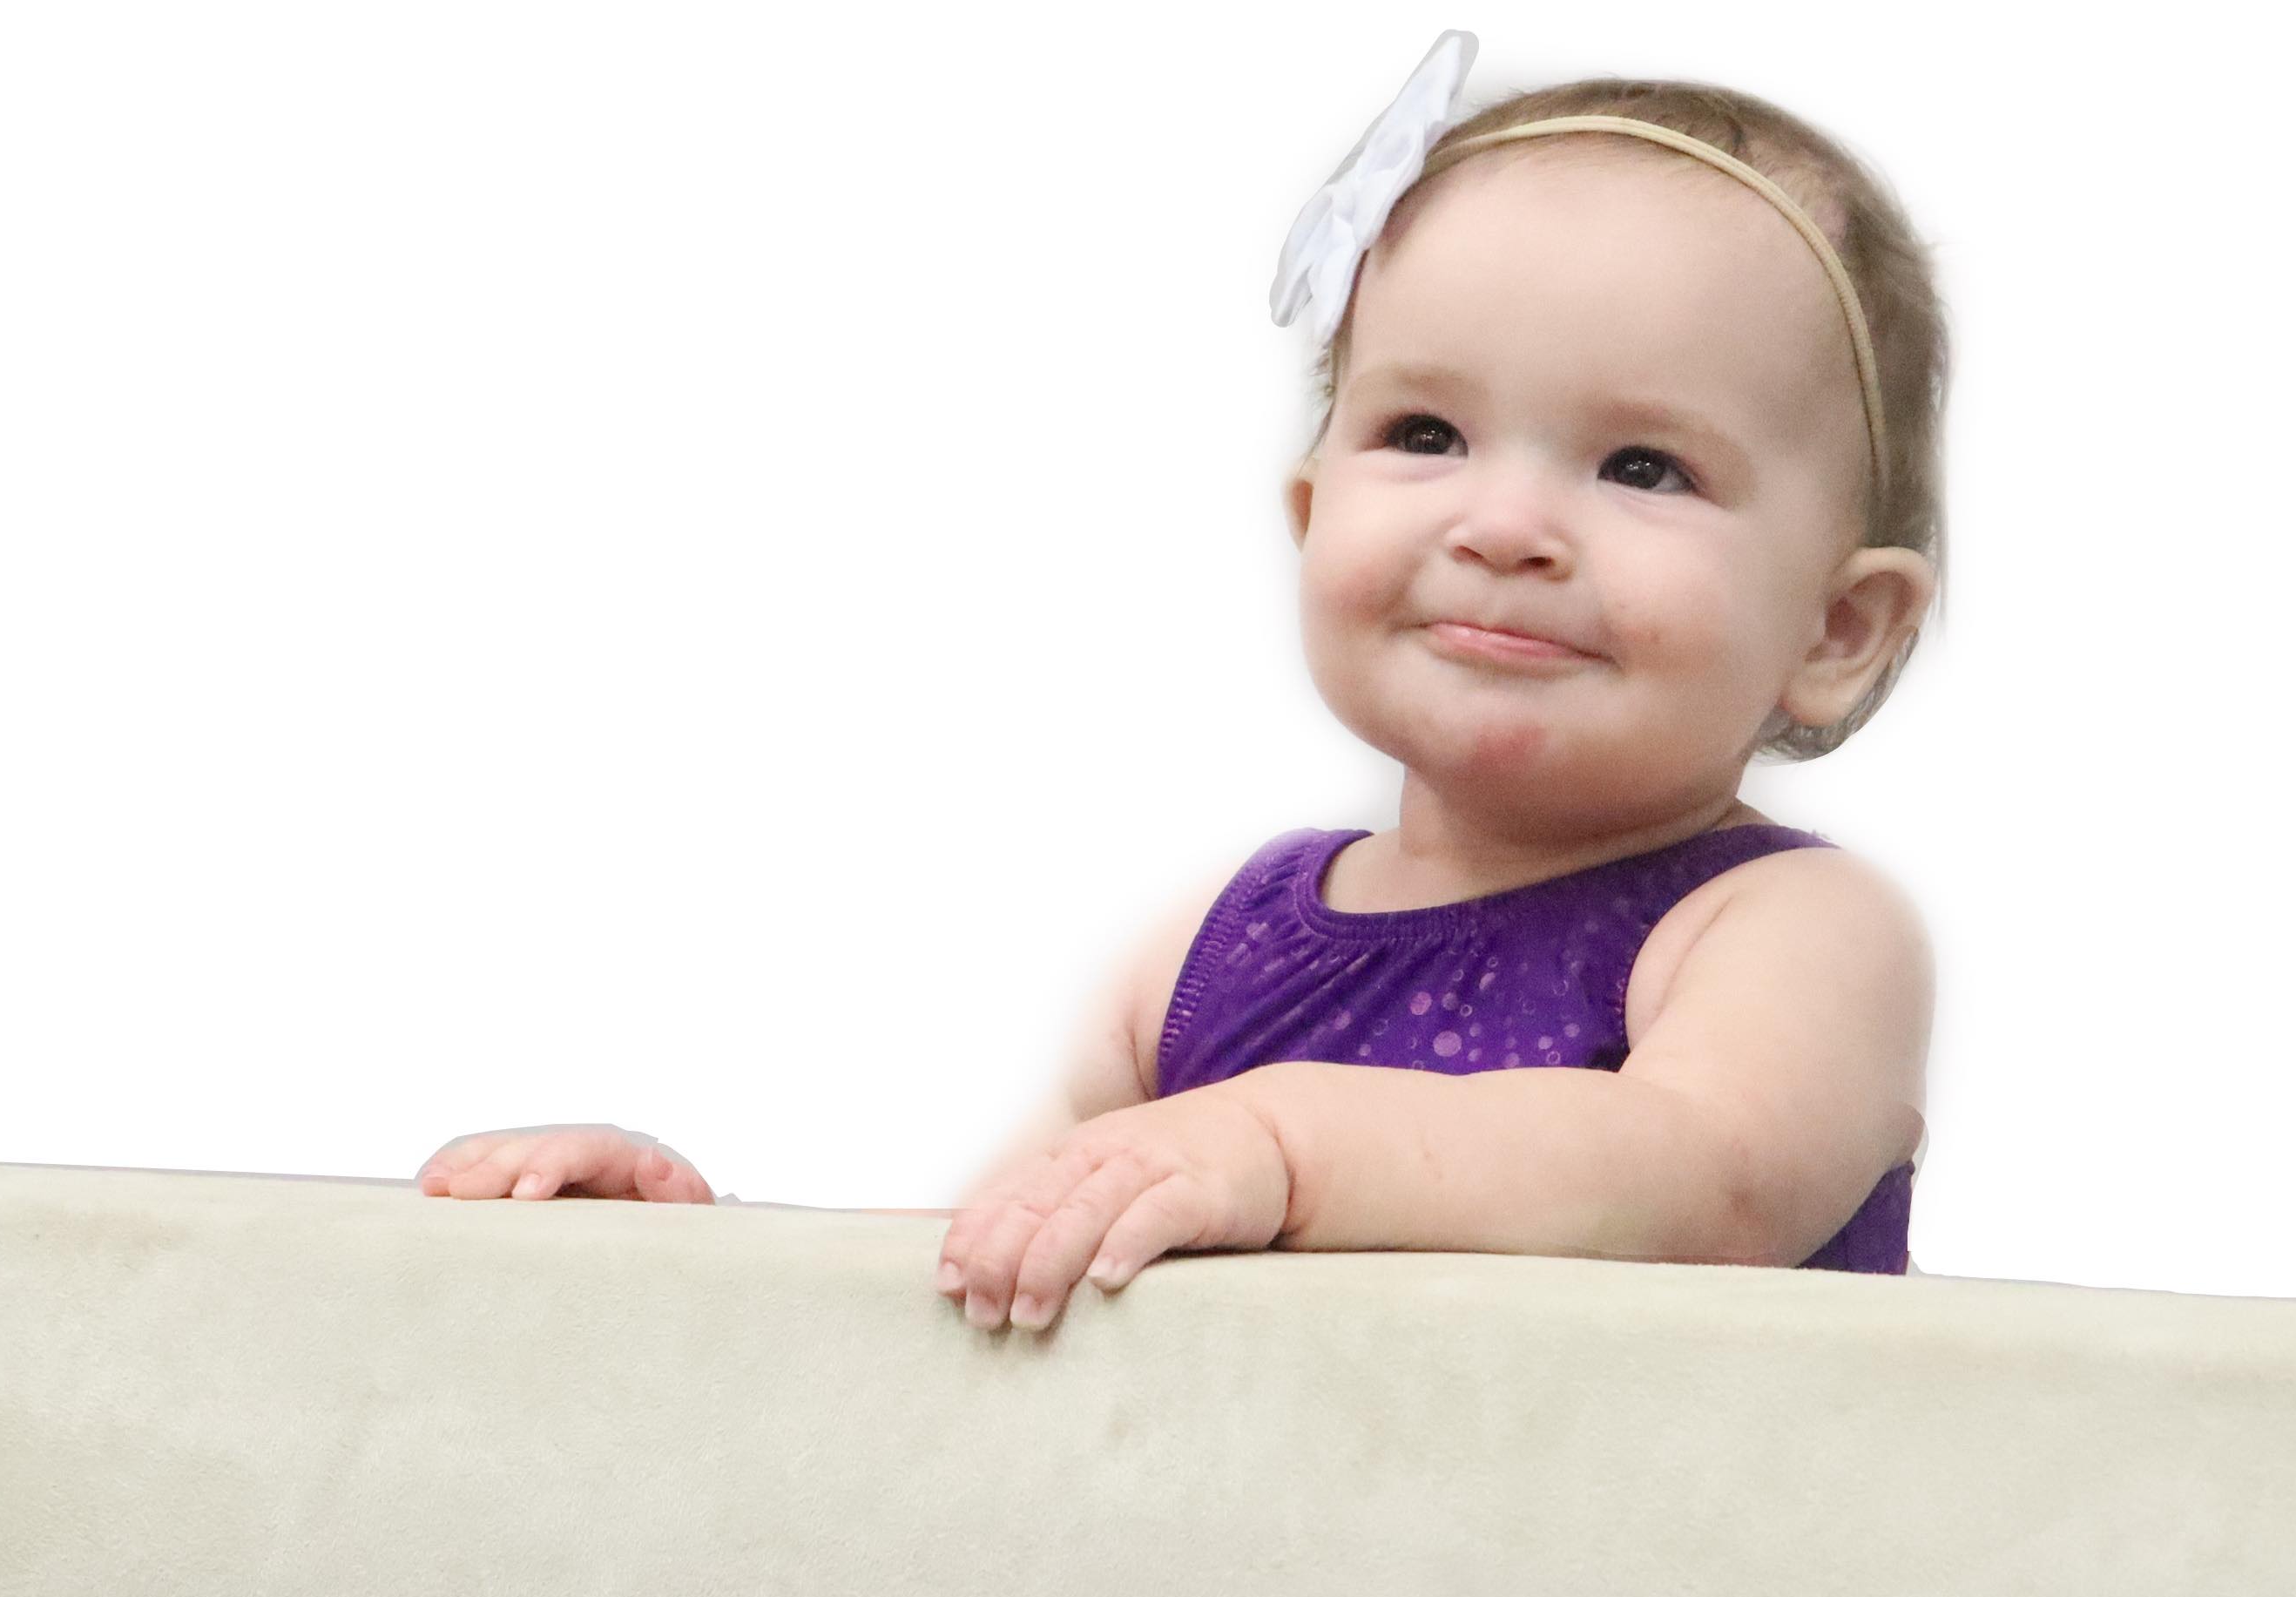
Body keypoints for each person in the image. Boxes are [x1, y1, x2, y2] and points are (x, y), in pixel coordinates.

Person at [421, 33, 1943, 1336]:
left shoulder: (1789, 932)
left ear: (1838, 626)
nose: (1502, 526)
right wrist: (685, 1250)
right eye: (1424, 434)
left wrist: (1285, 1143)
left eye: (1641, 465)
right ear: (1308, 514)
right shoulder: (1211, 957)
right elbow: (1002, 1265)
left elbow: (1699, 1177)